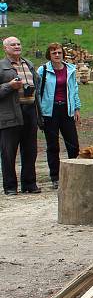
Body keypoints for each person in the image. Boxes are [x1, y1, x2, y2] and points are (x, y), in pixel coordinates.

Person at [0, 36, 42, 194]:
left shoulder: (28, 64)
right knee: (8, 152)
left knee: (30, 150)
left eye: (18, 44)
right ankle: (10, 187)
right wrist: (9, 86)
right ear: (5, 48)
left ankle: (29, 184)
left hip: (30, 111)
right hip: (10, 114)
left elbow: (37, 90)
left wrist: (39, 115)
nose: (17, 46)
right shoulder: (1, 66)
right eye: (12, 44)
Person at [37, 43, 81, 189]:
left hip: (66, 109)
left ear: (63, 54)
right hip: (50, 111)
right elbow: (37, 92)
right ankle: (55, 177)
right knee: (53, 145)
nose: (57, 55)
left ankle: (76, 173)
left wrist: (77, 108)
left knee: (73, 144)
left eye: (59, 52)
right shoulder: (43, 70)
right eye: (54, 53)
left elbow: (74, 89)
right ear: (49, 55)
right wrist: (39, 112)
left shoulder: (70, 69)